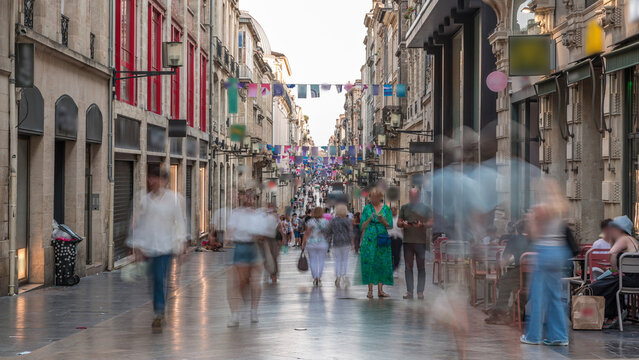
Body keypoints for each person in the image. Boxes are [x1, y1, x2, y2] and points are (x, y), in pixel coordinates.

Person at [127, 165, 187, 330]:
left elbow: (180, 222)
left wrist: (182, 244)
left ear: (164, 181)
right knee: (153, 280)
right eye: (150, 177)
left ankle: (159, 312)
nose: (150, 181)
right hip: (149, 246)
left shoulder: (174, 199)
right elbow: (137, 224)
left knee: (160, 277)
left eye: (154, 178)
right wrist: (136, 246)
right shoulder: (144, 200)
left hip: (166, 246)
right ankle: (158, 309)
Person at [520, 180, 571, 346]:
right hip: (559, 251)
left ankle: (533, 336)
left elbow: (535, 235)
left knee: (537, 295)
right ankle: (559, 336)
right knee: (555, 296)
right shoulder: (561, 206)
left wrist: (530, 220)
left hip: (545, 251)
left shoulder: (541, 208)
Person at [226, 190, 275, 327]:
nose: (249, 200)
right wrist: (228, 237)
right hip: (240, 247)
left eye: (252, 197)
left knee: (255, 281)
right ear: (241, 198)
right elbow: (230, 229)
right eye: (247, 197)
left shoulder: (259, 214)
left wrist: (263, 229)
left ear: (255, 199)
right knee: (240, 282)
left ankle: (253, 310)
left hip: (254, 247)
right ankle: (236, 313)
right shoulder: (236, 213)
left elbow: (266, 232)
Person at [590, 215, 639, 329]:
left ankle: (613, 315)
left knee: (598, 285)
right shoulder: (634, 240)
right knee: (610, 283)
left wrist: (615, 270)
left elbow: (612, 253)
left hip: (627, 280)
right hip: (634, 280)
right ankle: (616, 313)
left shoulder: (623, 239)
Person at [485, 220, 529, 324]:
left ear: (516, 231)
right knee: (522, 287)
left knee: (504, 281)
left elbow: (504, 259)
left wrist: (508, 260)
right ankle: (517, 312)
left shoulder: (514, 239)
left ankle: (501, 312)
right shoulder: (535, 240)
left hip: (520, 275)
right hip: (536, 277)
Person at [397, 188, 433, 299]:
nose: (413, 198)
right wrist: (404, 223)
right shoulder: (404, 208)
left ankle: (420, 292)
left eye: (415, 196)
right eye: (411, 196)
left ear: (419, 196)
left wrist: (422, 224)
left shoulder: (425, 208)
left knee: (421, 267)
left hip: (420, 242)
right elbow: (398, 222)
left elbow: (431, 222)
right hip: (408, 242)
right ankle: (409, 292)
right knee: (408, 267)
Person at [360, 187, 394, 298]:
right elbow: (362, 226)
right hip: (369, 239)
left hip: (382, 238)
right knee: (369, 263)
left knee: (382, 263)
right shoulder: (366, 209)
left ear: (380, 197)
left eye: (376, 197)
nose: (374, 199)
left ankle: (380, 290)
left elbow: (390, 225)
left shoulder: (386, 209)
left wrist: (383, 220)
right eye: (372, 197)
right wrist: (369, 219)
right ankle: (370, 290)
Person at [327, 204, 354, 287]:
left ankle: (338, 276)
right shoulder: (347, 220)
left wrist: (328, 241)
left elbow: (329, 232)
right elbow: (351, 232)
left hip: (336, 242)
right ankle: (344, 275)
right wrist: (352, 243)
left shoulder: (333, 220)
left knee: (337, 260)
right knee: (345, 260)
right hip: (346, 242)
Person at [302, 207, 330, 286]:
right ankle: (319, 277)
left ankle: (315, 277)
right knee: (321, 261)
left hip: (311, 243)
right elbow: (328, 233)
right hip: (322, 243)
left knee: (312, 260)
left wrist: (303, 244)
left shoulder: (310, 222)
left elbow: (307, 234)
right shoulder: (325, 222)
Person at [388, 206, 404, 279]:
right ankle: (391, 269)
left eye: (394, 211)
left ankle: (396, 269)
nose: (393, 212)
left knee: (397, 254)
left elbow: (402, 228)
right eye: (392, 211)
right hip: (389, 238)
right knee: (390, 254)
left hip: (398, 238)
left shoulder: (399, 219)